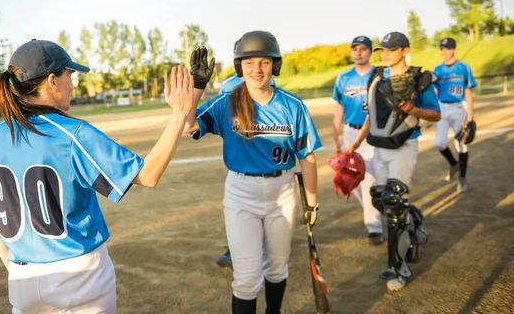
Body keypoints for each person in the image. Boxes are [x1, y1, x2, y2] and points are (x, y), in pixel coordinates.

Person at [0, 39, 194, 313]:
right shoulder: (73, 133)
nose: (72, 84)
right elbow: (149, 175)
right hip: (79, 276)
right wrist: (180, 114)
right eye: (69, 75)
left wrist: (16, 268)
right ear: (52, 81)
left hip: (22, 277)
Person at [186, 31, 322, 314]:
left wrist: (312, 202)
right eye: (249, 63)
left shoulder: (292, 105)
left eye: (264, 62)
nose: (257, 69)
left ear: (275, 65)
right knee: (247, 279)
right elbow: (189, 125)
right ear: (240, 67)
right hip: (241, 194)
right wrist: (198, 86)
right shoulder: (227, 102)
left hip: (283, 193)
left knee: (276, 269)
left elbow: (306, 157)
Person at [347, 32, 441, 292]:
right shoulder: (376, 77)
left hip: (404, 145)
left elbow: (436, 114)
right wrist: (356, 143)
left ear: (405, 50)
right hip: (378, 148)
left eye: (391, 49)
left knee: (394, 201)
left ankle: (399, 267)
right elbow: (372, 115)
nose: (385, 53)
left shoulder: (420, 79)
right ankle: (415, 222)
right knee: (381, 199)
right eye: (382, 50)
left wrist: (416, 111)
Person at [216, 72, 277, 268]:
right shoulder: (227, 84)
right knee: (238, 207)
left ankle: (266, 246)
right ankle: (236, 250)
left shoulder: (266, 78)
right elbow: (221, 115)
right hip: (240, 149)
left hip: (262, 145)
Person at [331, 35, 384, 245]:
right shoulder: (343, 78)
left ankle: (374, 227)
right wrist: (336, 139)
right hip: (350, 132)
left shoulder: (378, 75)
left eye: (363, 49)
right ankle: (375, 210)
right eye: (355, 49)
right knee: (350, 181)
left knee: (368, 178)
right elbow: (338, 110)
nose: (358, 52)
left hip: (372, 133)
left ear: (370, 52)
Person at [430, 37, 476, 192]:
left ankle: (462, 178)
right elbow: (434, 91)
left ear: (454, 49)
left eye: (448, 49)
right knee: (439, 143)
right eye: (442, 49)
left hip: (458, 108)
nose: (444, 52)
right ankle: (453, 164)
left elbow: (468, 92)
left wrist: (470, 116)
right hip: (442, 108)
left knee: (462, 144)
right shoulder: (437, 69)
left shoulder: (464, 67)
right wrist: (432, 113)